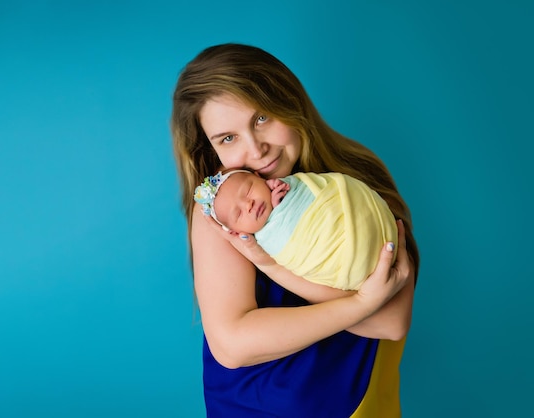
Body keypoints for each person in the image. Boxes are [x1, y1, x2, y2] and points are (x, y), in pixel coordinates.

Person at [171, 43, 419, 417]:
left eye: (261, 118)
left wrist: (271, 266)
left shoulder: (360, 178)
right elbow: (233, 344)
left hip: (363, 406)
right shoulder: (224, 210)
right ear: (210, 149)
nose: (256, 150)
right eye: (228, 138)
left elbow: (391, 321)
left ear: (289, 101)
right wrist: (361, 302)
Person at [193, 168, 398, 290]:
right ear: (237, 232)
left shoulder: (285, 187)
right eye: (238, 214)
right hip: (344, 266)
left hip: (367, 223)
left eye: (248, 190)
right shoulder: (261, 242)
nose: (248, 205)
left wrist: (285, 197)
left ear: (259, 177)